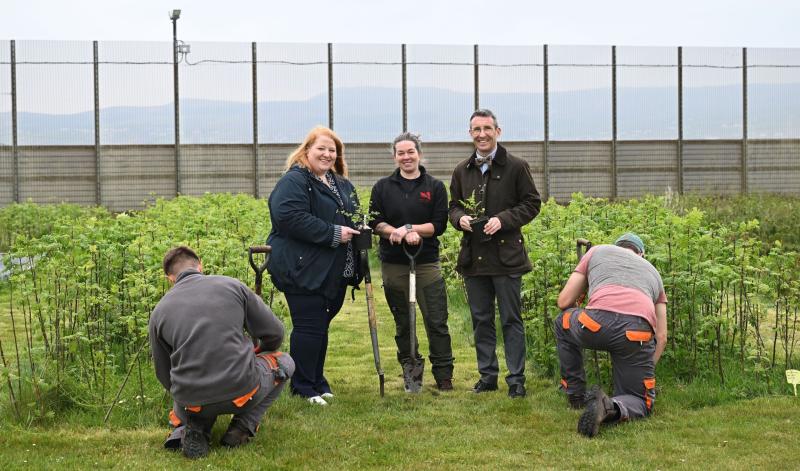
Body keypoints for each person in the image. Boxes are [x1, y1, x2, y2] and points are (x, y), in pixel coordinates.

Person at [150, 246, 293, 459]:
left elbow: (163, 373)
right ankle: (242, 428)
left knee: (194, 396)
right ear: (200, 264)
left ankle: (194, 427)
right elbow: (275, 334)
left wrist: (186, 399)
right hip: (242, 390)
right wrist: (259, 352)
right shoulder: (232, 285)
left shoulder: (159, 311)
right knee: (285, 362)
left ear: (170, 278)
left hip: (192, 400)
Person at [448, 109, 541, 398]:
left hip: (507, 258)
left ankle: (516, 379)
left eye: (487, 128)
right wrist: (459, 218)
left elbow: (532, 203)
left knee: (511, 320)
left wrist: (503, 220)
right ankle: (487, 376)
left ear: (498, 131)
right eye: (476, 129)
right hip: (474, 258)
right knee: (481, 318)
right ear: (470, 134)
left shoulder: (516, 166)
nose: (482, 134)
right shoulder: (462, 170)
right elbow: (453, 206)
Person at [266, 126, 362, 406]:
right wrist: (333, 233)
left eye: (332, 150)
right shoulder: (295, 181)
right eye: (321, 148)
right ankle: (303, 386)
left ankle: (317, 380)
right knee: (308, 326)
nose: (327, 154)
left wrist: (359, 229)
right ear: (306, 150)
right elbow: (288, 216)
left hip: (333, 270)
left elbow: (353, 216)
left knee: (320, 326)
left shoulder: (341, 184)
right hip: (302, 268)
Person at [554, 233, 668, 438]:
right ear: (641, 254)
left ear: (617, 246)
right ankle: (610, 406)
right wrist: (645, 368)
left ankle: (575, 394)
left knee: (562, 321)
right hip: (636, 334)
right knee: (640, 400)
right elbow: (661, 335)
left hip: (595, 324)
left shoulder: (597, 251)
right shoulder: (654, 272)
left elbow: (564, 301)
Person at [369, 132, 455, 392]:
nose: (406, 157)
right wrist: (390, 231)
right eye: (401, 153)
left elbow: (438, 224)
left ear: (419, 153)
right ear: (395, 157)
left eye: (410, 152)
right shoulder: (382, 187)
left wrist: (409, 229)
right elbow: (375, 221)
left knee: (436, 320)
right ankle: (412, 374)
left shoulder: (435, 187)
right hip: (394, 262)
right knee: (404, 321)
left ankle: (444, 375)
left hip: (426, 261)